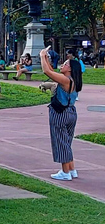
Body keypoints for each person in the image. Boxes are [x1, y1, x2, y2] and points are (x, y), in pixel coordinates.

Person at [39, 46, 83, 180]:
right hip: (71, 112)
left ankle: (65, 173)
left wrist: (41, 55)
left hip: (60, 114)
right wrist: (46, 58)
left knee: (61, 142)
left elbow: (46, 71)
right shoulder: (72, 80)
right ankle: (71, 169)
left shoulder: (66, 80)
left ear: (70, 68)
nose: (62, 65)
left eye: (65, 64)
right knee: (66, 142)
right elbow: (51, 71)